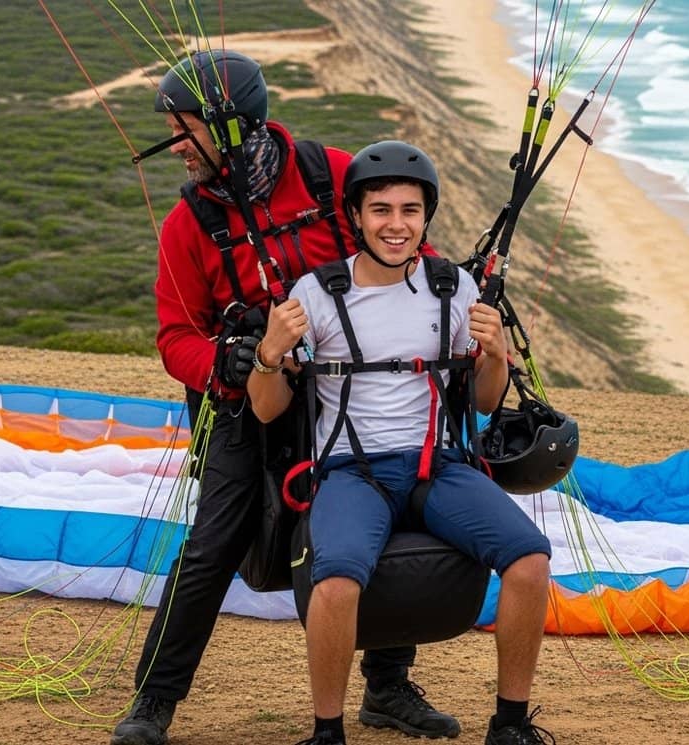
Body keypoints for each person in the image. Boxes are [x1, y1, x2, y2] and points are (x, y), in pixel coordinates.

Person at [112, 51, 459, 745]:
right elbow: (175, 336)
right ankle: (155, 700)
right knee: (215, 543)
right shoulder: (188, 225)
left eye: (185, 130)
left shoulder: (328, 174)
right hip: (250, 397)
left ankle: (387, 686)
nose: (175, 146)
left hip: (353, 388)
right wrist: (223, 361)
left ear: (231, 127)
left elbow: (402, 246)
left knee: (390, 516)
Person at [249, 140, 556, 745]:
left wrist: (496, 355)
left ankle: (510, 725)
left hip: (438, 467)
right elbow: (266, 407)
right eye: (381, 210)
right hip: (351, 471)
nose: (396, 225)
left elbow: (486, 402)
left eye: (410, 210)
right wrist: (269, 352)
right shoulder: (316, 294)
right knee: (336, 580)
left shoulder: (455, 289)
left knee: (530, 561)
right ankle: (328, 732)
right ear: (356, 217)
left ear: (426, 217)